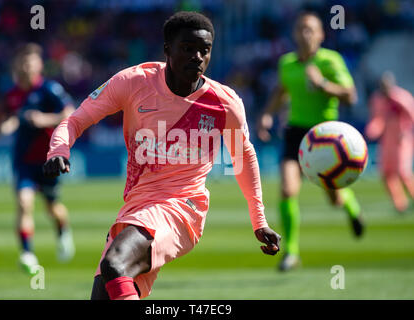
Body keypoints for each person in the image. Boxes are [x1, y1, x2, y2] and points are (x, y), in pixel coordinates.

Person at [43, 11, 281, 300]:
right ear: (167, 49)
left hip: (183, 207)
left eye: (204, 51)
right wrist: (59, 149)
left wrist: (259, 221)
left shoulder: (224, 104)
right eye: (187, 48)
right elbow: (75, 120)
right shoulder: (134, 82)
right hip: (136, 206)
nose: (197, 57)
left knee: (114, 264)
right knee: (105, 292)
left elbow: (244, 158)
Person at [257, 11, 364, 272]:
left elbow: (351, 96)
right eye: (301, 29)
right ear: (294, 35)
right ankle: (291, 252)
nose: (305, 34)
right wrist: (267, 115)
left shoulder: (331, 61)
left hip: (327, 137)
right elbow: (281, 91)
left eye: (311, 29)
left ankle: (351, 207)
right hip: (295, 133)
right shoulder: (287, 64)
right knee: (287, 189)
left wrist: (324, 84)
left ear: (320, 35)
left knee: (335, 199)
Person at [0, 43, 76, 274]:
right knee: (23, 203)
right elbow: (9, 118)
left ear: (39, 66)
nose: (27, 67)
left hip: (49, 159)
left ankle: (62, 229)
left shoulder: (50, 89)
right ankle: (27, 253)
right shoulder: (13, 94)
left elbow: (69, 113)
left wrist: (43, 119)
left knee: (52, 207)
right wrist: (3, 128)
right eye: (23, 63)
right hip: (24, 159)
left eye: (31, 63)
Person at [365, 71, 414, 213]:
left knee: (402, 173)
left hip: (402, 139)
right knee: (387, 173)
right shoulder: (377, 99)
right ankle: (400, 204)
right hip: (387, 140)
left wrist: (404, 131)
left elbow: (411, 117)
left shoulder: (401, 97)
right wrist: (372, 130)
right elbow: (378, 119)